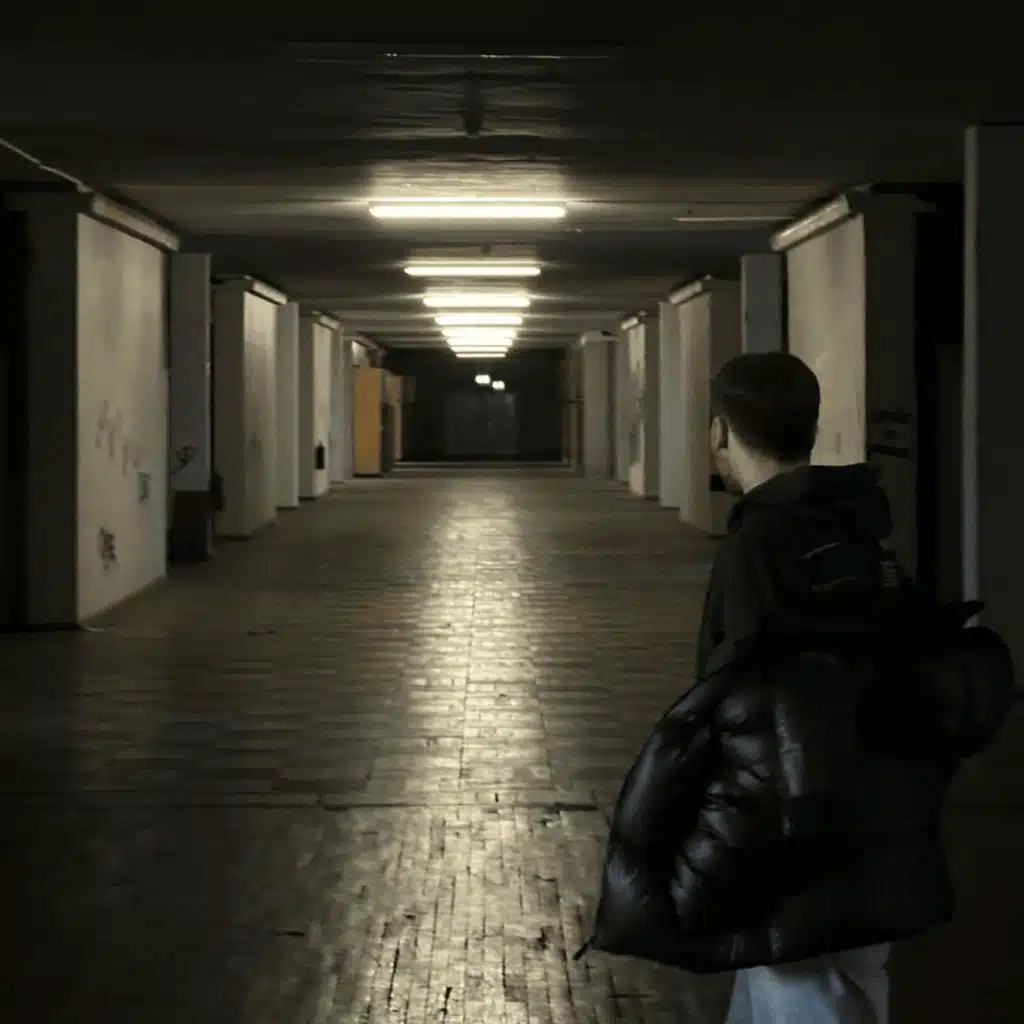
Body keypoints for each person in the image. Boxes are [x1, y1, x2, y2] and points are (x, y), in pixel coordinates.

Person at [575, 352, 1014, 1024]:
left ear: (720, 432)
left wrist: (720, 835)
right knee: (834, 976)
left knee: (800, 983)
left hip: (797, 826)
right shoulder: (858, 527)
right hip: (877, 805)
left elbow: (745, 704)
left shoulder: (758, 545)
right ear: (810, 426)